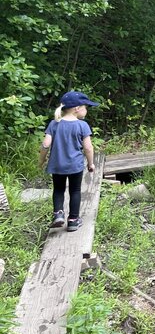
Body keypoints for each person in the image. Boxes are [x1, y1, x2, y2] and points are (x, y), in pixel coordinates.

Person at [39, 91, 98, 231]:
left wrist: (41, 162)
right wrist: (91, 164)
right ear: (77, 108)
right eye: (85, 107)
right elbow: (88, 148)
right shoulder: (82, 125)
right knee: (75, 191)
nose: (86, 110)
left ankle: (58, 214)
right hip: (75, 166)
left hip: (57, 165)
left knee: (58, 190)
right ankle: (73, 220)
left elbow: (45, 145)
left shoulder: (54, 124)